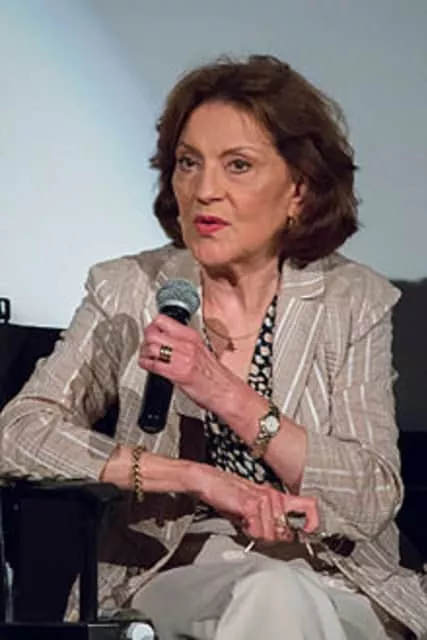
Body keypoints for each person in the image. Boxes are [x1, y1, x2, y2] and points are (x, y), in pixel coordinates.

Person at [0, 54, 426, 639]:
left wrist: (223, 392)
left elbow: (372, 493)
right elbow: (19, 434)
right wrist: (192, 477)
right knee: (270, 594)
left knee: (291, 597)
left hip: (340, 576)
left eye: (238, 166)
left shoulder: (351, 300)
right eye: (188, 163)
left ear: (298, 190)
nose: (205, 191)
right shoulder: (129, 289)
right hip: (179, 569)